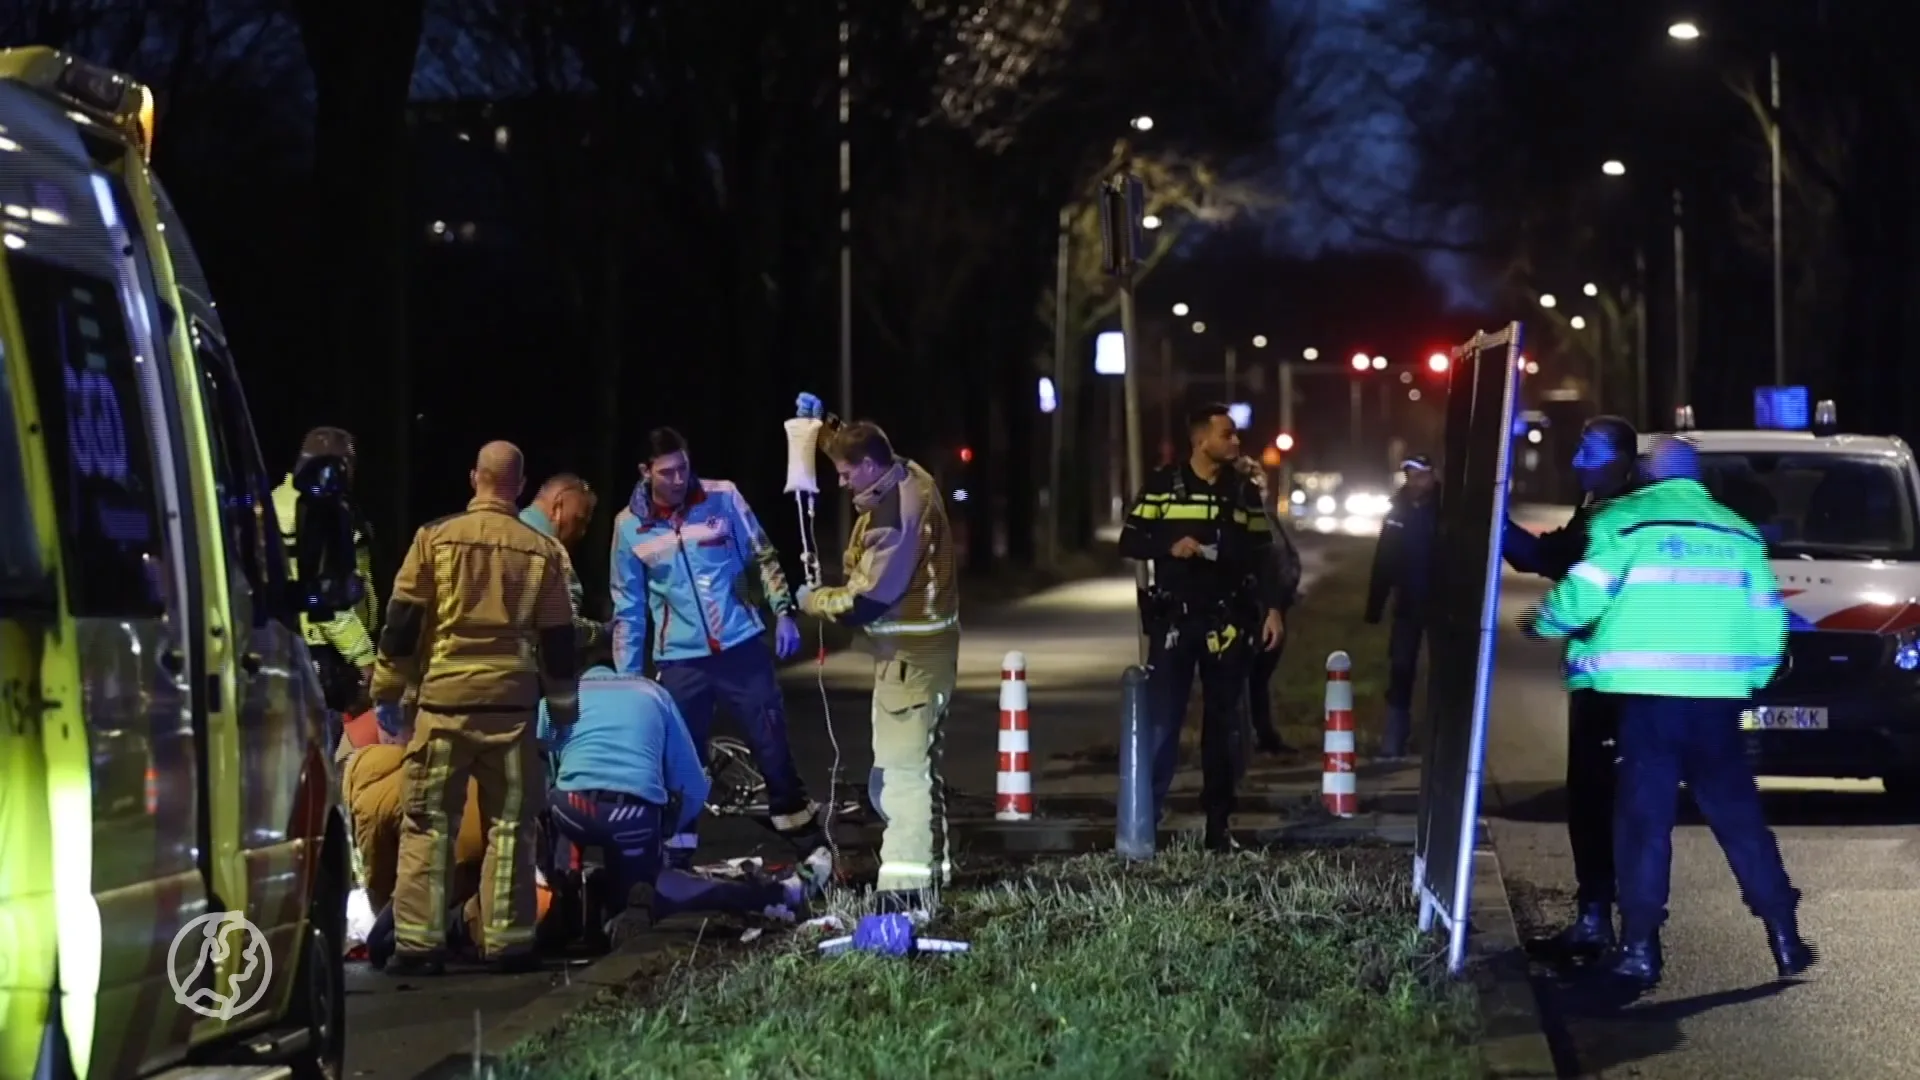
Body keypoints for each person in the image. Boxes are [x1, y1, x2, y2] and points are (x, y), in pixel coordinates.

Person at [1522, 435, 1812, 989]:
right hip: (1716, 705)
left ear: (1648, 474)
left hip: (1645, 702)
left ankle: (1640, 949)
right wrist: (1743, 678)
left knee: (1643, 825)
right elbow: (1768, 624)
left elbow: (1585, 594)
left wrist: (1546, 622)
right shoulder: (1736, 531)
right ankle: (1785, 936)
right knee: (1741, 820)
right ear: (1696, 478)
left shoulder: (1624, 521)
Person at [371, 441, 581, 975]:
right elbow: (558, 639)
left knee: (428, 821)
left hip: (443, 707)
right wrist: (563, 711)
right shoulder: (542, 551)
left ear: (474, 479)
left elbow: (403, 622)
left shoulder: (433, 540)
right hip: (509, 712)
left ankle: (417, 946)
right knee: (512, 824)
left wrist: (387, 692)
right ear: (519, 483)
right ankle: (507, 941)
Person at [609, 428, 823, 867]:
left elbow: (762, 555)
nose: (678, 479)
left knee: (771, 742)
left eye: (683, 468)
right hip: (680, 659)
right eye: (666, 472)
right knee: (681, 760)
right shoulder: (629, 528)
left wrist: (783, 612)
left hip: (740, 646)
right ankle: (676, 854)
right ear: (645, 472)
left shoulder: (722, 498)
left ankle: (808, 841)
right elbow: (627, 610)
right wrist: (627, 681)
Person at [792, 394, 959, 910]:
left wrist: (812, 600)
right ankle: (935, 868)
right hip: (926, 650)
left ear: (868, 468)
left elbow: (866, 600)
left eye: (846, 474)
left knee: (900, 777)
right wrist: (824, 433)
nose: (841, 483)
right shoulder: (909, 473)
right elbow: (864, 447)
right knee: (912, 769)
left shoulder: (892, 519)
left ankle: (904, 887)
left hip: (909, 656)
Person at [540, 665, 825, 947]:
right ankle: (636, 904)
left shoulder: (561, 694)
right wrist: (668, 830)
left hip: (572, 808)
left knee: (557, 806)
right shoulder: (653, 694)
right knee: (647, 881)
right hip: (633, 815)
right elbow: (692, 783)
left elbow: (543, 766)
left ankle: (567, 891)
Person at [1501, 415, 1640, 957]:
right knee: (1624, 801)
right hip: (1639, 681)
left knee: (1594, 797)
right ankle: (1624, 927)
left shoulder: (1612, 513)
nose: (1577, 454)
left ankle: (1599, 920)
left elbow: (1546, 558)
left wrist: (1494, 520)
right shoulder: (1612, 508)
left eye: (1589, 445)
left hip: (1613, 682)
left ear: (1617, 458)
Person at [1120, 404, 1286, 850]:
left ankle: (1218, 826)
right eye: (1227, 435)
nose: (1236, 442)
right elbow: (1130, 539)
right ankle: (1144, 825)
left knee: (1224, 726)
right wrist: (1169, 545)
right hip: (1174, 624)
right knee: (1162, 724)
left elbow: (1262, 554)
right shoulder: (1163, 487)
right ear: (1201, 440)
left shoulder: (1242, 492)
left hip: (1226, 624)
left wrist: (1272, 609)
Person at [272, 427, 379, 717]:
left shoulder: (273, 505)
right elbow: (328, 599)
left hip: (282, 649)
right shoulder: (321, 511)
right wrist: (365, 659)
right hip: (327, 656)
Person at [1363, 455, 1439, 759]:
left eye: (1420, 475)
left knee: (1440, 673)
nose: (1415, 482)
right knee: (1400, 669)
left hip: (1439, 605)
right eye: (1410, 475)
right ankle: (1393, 741)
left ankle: (1437, 742)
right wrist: (1375, 606)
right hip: (1407, 604)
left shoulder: (1445, 509)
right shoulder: (1398, 509)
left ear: (1433, 476)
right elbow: (1384, 558)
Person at [1240, 458, 1303, 754]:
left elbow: (1283, 559)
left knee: (1259, 677)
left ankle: (1262, 735)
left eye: (1261, 479)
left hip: (1276, 606)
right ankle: (1252, 737)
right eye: (1254, 480)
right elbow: (1264, 563)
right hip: (1256, 609)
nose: (1261, 485)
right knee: (1249, 675)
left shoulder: (1266, 515)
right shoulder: (1247, 518)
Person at [520, 473, 609, 653]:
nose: (581, 532)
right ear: (557, 506)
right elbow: (564, 628)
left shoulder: (496, 536)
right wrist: (603, 633)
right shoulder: (552, 554)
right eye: (578, 520)